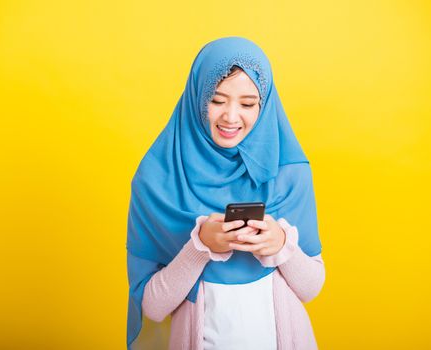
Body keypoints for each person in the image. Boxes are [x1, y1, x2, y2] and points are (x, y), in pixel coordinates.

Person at [126, 36, 326, 350]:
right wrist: (200, 245)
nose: (231, 117)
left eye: (247, 104)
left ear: (265, 103)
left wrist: (281, 244)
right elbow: (152, 306)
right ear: (197, 98)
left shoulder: (290, 172)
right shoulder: (155, 180)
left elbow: (311, 288)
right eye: (217, 100)